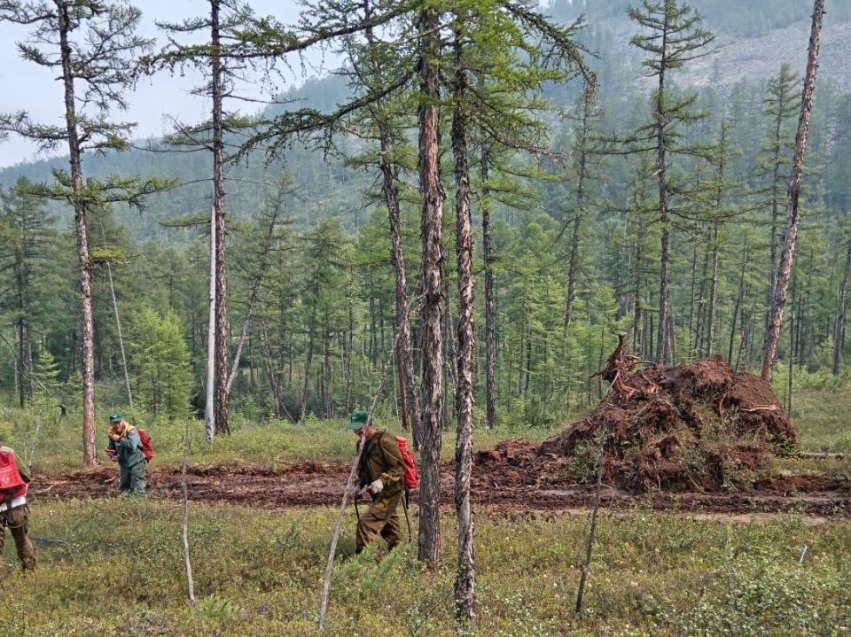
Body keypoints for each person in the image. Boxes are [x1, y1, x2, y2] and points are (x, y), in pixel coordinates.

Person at [348, 410, 406, 553]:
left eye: (359, 427)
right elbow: (363, 469)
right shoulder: (360, 444)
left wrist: (382, 480)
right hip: (376, 491)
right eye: (354, 428)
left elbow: (399, 467)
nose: (356, 431)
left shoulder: (384, 441)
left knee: (366, 524)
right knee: (389, 528)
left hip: (390, 491)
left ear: (369, 424)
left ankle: (362, 562)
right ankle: (398, 555)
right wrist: (359, 485)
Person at [0, 439, 36, 572]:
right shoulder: (8, 452)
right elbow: (26, 475)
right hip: (16, 503)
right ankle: (30, 573)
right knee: (21, 540)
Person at [107, 413, 147, 497]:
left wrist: (119, 439)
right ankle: (127, 507)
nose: (117, 425)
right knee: (125, 487)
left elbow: (132, 445)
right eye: (114, 423)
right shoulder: (112, 433)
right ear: (111, 423)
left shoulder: (131, 430)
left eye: (119, 422)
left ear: (123, 421)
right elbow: (112, 448)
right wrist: (112, 456)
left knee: (138, 487)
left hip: (136, 461)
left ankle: (142, 506)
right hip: (124, 463)